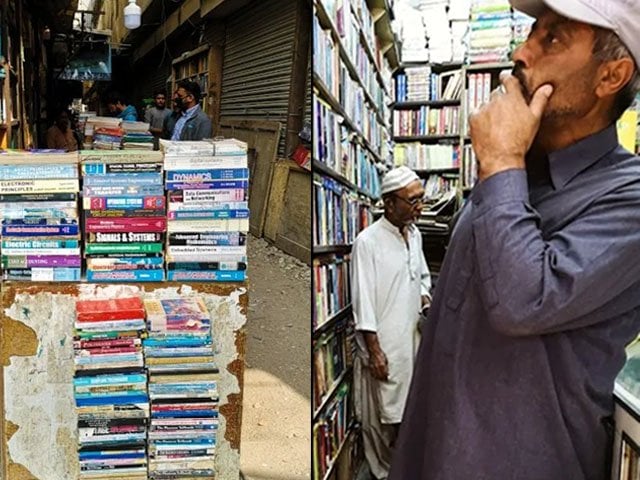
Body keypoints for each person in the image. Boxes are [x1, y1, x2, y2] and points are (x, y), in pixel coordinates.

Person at [389, 1, 640, 480]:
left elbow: (522, 302)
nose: (521, 52)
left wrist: (502, 159)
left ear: (611, 76)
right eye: (531, 32)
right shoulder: (510, 174)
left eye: (553, 39)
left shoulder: (627, 199)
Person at [351, 166, 431, 480]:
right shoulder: (367, 242)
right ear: (390, 203)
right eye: (412, 201)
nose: (419, 207)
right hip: (385, 344)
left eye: (421, 199)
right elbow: (363, 302)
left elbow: (422, 278)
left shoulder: (416, 234)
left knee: (408, 412)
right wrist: (375, 351)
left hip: (412, 339)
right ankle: (386, 473)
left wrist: (424, 299)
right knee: (383, 415)